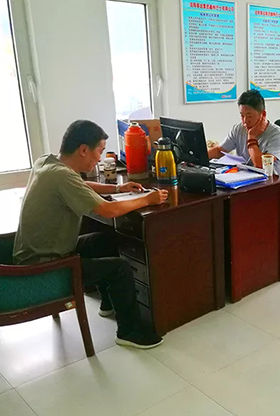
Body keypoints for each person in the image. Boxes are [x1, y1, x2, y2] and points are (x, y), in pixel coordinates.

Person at [13, 120, 169, 349]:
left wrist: (118, 188)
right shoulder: (62, 176)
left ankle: (108, 302)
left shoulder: (47, 162)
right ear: (83, 150)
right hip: (45, 268)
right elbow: (108, 210)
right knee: (120, 268)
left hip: (34, 253)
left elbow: (81, 185)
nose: (100, 158)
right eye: (100, 151)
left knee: (106, 240)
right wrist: (148, 199)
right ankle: (129, 332)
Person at [208, 89, 280, 175]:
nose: (245, 121)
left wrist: (251, 138)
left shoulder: (278, 135)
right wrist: (199, 157)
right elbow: (219, 150)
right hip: (241, 178)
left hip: (268, 180)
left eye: (249, 116)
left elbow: (260, 165)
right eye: (242, 116)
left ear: (263, 114)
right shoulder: (238, 129)